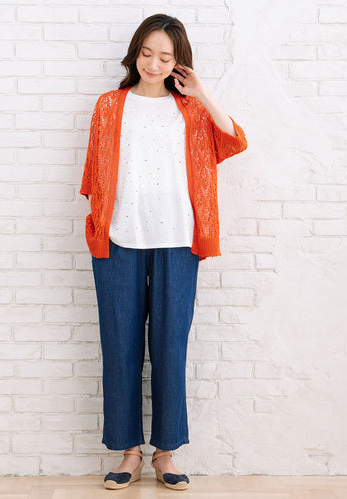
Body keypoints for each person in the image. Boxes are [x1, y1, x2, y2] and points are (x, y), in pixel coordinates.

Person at [80, 13, 248, 490]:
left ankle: (166, 452)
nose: (153, 64)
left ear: (179, 63)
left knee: (170, 345)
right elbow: (94, 174)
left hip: (178, 239)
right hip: (118, 240)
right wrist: (99, 223)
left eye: (165, 57)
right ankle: (129, 452)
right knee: (120, 345)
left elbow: (234, 140)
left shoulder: (190, 110)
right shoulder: (109, 105)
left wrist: (202, 93)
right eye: (147, 53)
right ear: (135, 53)